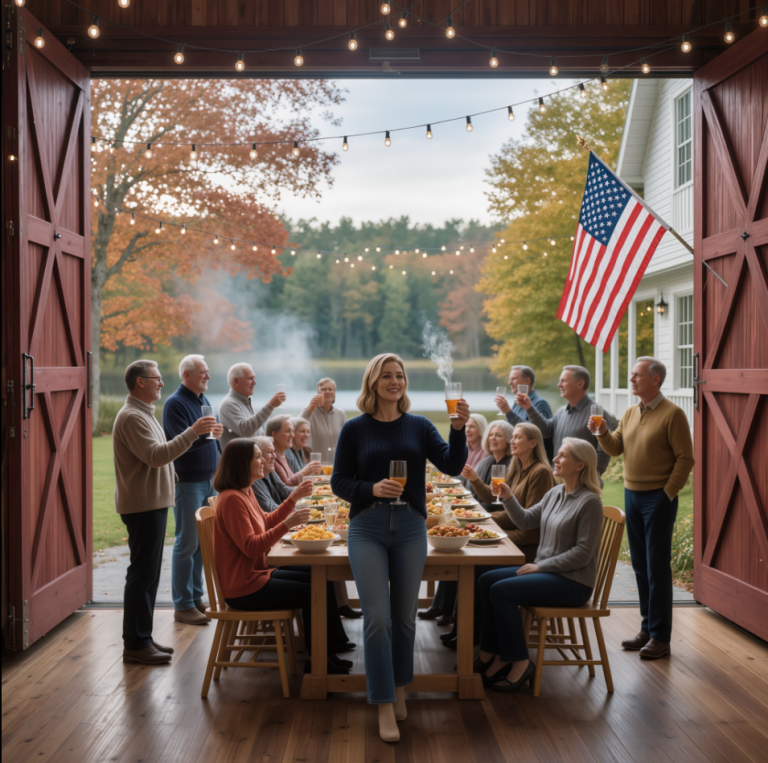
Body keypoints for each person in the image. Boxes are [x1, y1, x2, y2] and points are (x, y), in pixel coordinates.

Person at [331, 353, 469, 743]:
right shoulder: (354, 429)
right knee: (377, 617)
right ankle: (383, 703)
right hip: (367, 527)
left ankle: (401, 685)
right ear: (373, 382)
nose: (395, 381)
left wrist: (457, 428)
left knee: (406, 617)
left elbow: (452, 466)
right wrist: (370, 489)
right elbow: (339, 482)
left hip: (410, 527)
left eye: (400, 375)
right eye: (387, 376)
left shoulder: (421, 426)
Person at [213, 439, 352, 675]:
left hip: (256, 575)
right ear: (241, 463)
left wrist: (292, 500)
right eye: (257, 456)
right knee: (312, 591)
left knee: (321, 576)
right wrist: (287, 524)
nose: (266, 460)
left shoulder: (244, 492)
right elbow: (250, 547)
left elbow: (265, 522)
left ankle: (329, 650)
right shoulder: (233, 499)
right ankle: (316, 661)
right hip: (244, 587)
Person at [476, 438, 604, 692]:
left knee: (501, 590)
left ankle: (520, 663)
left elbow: (583, 553)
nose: (555, 460)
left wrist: (541, 566)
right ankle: (492, 651)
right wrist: (508, 496)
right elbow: (525, 521)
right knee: (485, 578)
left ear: (580, 465)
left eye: (563, 456)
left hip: (573, 582)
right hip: (549, 572)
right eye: (557, 455)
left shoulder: (590, 502)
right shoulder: (555, 493)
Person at [113, 360, 218, 664]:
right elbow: (157, 456)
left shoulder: (144, 413)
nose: (161, 383)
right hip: (143, 504)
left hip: (154, 501)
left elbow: (160, 455)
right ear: (140, 382)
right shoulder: (132, 416)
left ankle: (142, 638)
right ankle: (135, 644)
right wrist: (193, 432)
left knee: (148, 574)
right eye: (156, 379)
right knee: (142, 574)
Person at [590, 357, 694, 660]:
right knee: (639, 564)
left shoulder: (673, 414)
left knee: (657, 567)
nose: (632, 379)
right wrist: (601, 433)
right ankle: (647, 628)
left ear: (655, 380)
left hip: (657, 499)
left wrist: (667, 494)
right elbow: (615, 447)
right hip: (631, 496)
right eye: (631, 375)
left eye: (637, 376)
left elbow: (686, 459)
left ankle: (661, 637)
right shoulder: (631, 412)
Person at [162, 354, 224, 626]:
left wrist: (213, 437)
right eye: (203, 373)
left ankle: (197, 597)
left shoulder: (204, 401)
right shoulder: (175, 403)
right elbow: (179, 445)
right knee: (186, 543)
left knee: (203, 544)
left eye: (208, 372)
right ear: (186, 375)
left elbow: (203, 440)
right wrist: (202, 435)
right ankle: (183, 605)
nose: (208, 376)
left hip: (209, 480)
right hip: (188, 481)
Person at [469, 423, 554, 561]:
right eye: (512, 437)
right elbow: (508, 509)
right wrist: (482, 520)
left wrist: (489, 528)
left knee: (470, 557)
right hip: (514, 540)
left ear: (533, 443)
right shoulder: (517, 468)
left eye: (517, 438)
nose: (512, 441)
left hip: (527, 550)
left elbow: (530, 530)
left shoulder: (540, 472)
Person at [517, 365, 610, 476]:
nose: (559, 385)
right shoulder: (561, 412)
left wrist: (591, 476)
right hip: (559, 481)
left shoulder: (596, 414)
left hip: (584, 484)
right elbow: (545, 431)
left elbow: (604, 450)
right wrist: (529, 408)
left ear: (580, 384)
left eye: (563, 381)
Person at [219, 363, 285, 449]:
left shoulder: (246, 401)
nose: (255, 382)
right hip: (238, 461)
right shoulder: (228, 404)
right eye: (250, 378)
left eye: (254, 378)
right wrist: (270, 406)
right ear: (236, 381)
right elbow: (246, 430)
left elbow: (257, 433)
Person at [494, 365, 554, 460]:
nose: (510, 383)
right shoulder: (516, 403)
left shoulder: (540, 403)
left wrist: (508, 412)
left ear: (527, 381)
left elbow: (538, 433)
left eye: (513, 379)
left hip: (535, 460)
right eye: (510, 379)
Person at [461, 420, 515, 512]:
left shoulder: (512, 465)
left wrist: (474, 478)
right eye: (491, 435)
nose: (493, 438)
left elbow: (495, 499)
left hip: (495, 513)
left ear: (508, 440)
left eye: (499, 435)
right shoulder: (485, 462)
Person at [267, 415, 321, 486]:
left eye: (292, 431)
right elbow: (285, 487)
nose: (292, 435)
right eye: (287, 431)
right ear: (274, 435)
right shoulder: (272, 458)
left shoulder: (282, 456)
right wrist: (305, 472)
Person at [300, 377, 346, 458]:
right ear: (318, 392)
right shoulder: (310, 412)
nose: (327, 391)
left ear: (334, 393)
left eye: (330, 389)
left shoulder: (340, 414)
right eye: (324, 389)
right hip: (314, 464)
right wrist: (309, 409)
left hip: (335, 464)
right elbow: (296, 425)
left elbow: (346, 440)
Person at [251, 435, 292, 513]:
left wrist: (307, 490)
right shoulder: (253, 480)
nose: (274, 456)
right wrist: (295, 505)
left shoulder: (269, 471)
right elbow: (269, 509)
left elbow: (284, 491)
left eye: (274, 452)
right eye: (270, 452)